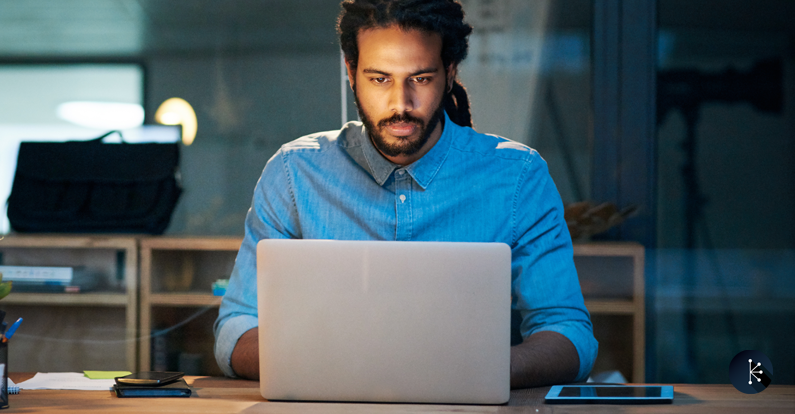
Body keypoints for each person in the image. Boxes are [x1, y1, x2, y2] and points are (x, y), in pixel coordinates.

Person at [214, 0, 597, 389]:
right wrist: (339, 365)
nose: (400, 103)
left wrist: (486, 369)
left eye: (421, 79)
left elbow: (569, 333)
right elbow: (237, 329)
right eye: (380, 79)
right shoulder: (294, 174)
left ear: (449, 74)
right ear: (351, 72)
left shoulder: (518, 177)